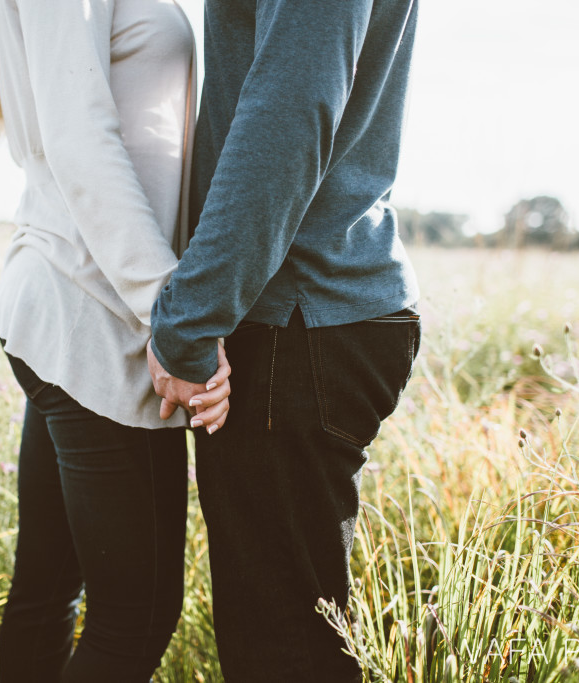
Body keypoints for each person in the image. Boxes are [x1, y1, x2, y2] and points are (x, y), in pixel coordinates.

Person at [147, 0, 422, 680]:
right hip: (299, 315)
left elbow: (290, 117)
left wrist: (188, 325)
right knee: (287, 634)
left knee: (284, 650)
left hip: (294, 322)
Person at [0, 0, 230, 680]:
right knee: (136, 616)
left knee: (46, 589)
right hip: (99, 309)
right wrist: (171, 317)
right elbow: (80, 140)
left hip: (63, 300)